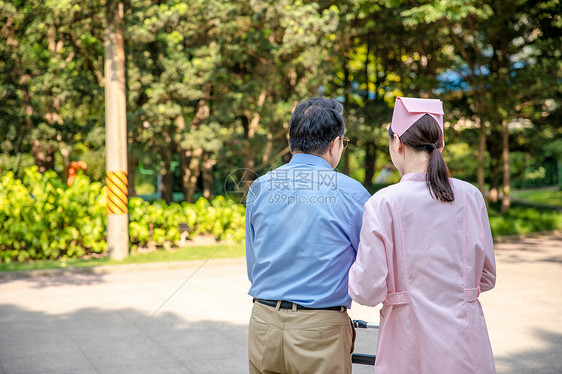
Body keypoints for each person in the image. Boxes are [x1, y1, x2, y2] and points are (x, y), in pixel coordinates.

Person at [348, 97, 496, 373]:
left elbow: (366, 291)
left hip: (407, 350)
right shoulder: (470, 196)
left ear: (398, 143)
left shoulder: (384, 203)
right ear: (440, 145)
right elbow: (486, 277)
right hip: (468, 347)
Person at [245, 97, 371, 374]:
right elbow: (371, 266)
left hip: (264, 324)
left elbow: (254, 267)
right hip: (320, 330)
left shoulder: (261, 187)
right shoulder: (352, 193)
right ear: (335, 143)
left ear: (292, 142)